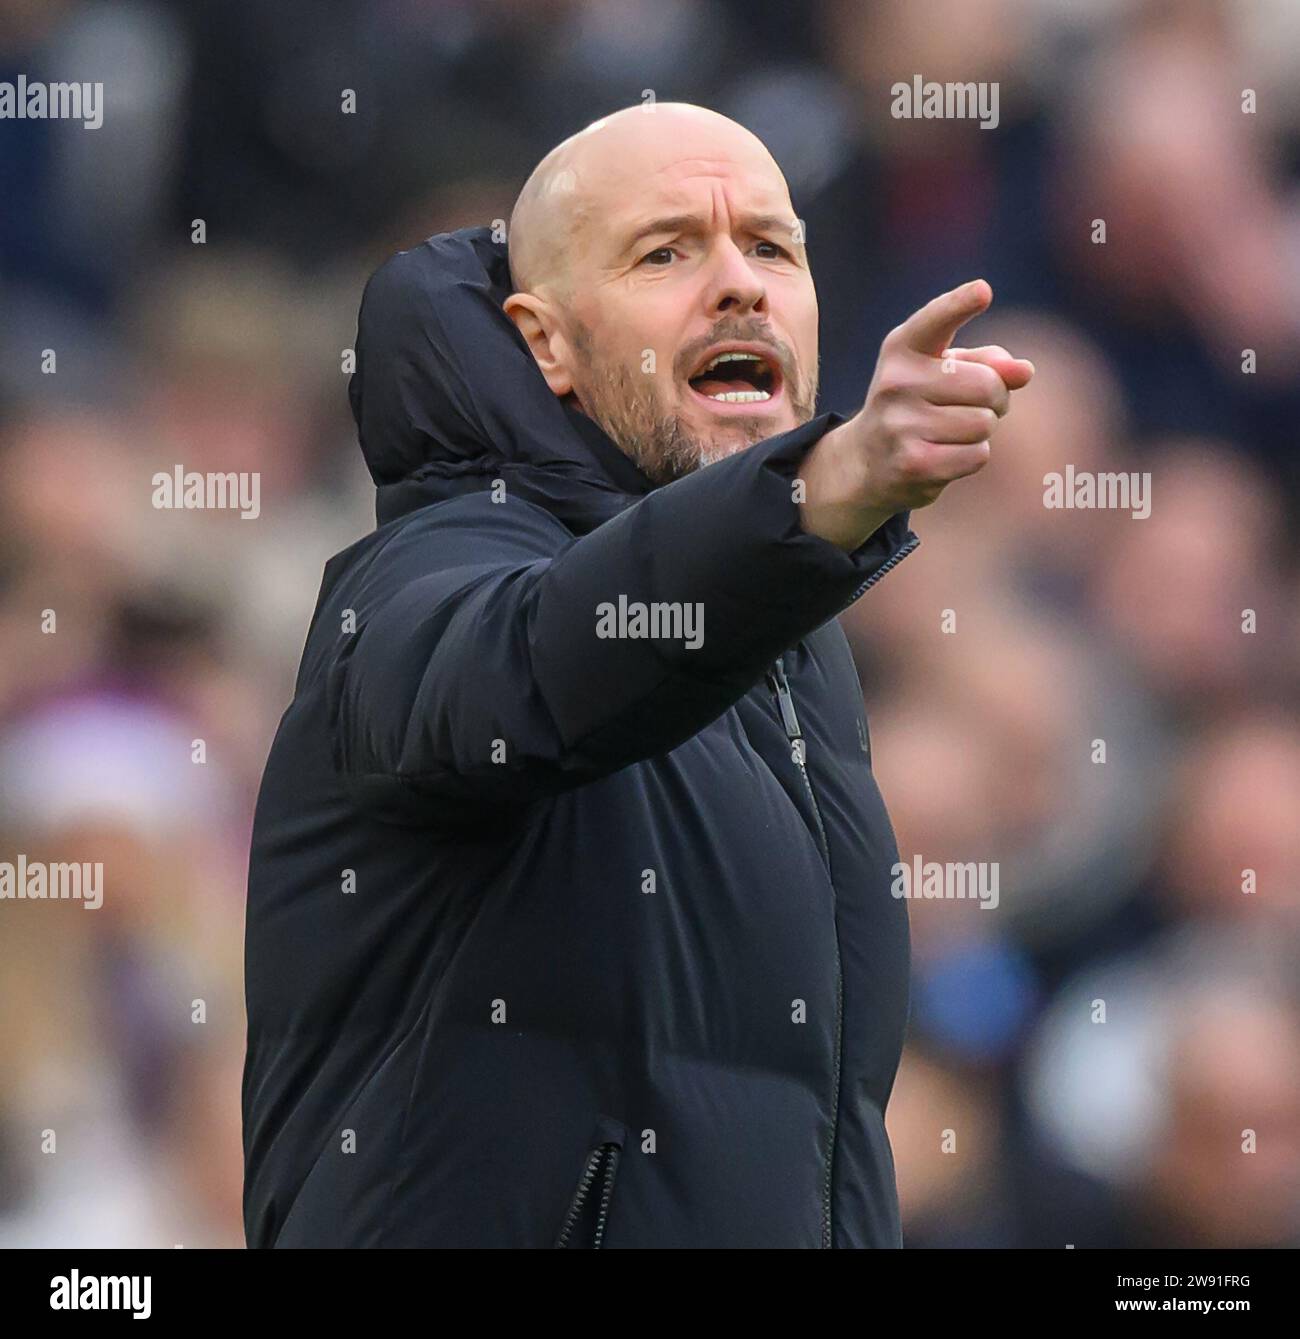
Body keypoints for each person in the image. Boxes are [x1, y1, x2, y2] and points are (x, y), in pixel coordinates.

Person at [241, 102, 1033, 1248]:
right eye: (665, 251)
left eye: (769, 246)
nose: (739, 286)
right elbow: (524, 675)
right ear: (545, 340)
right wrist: (816, 493)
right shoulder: (425, 568)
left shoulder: (799, 650)